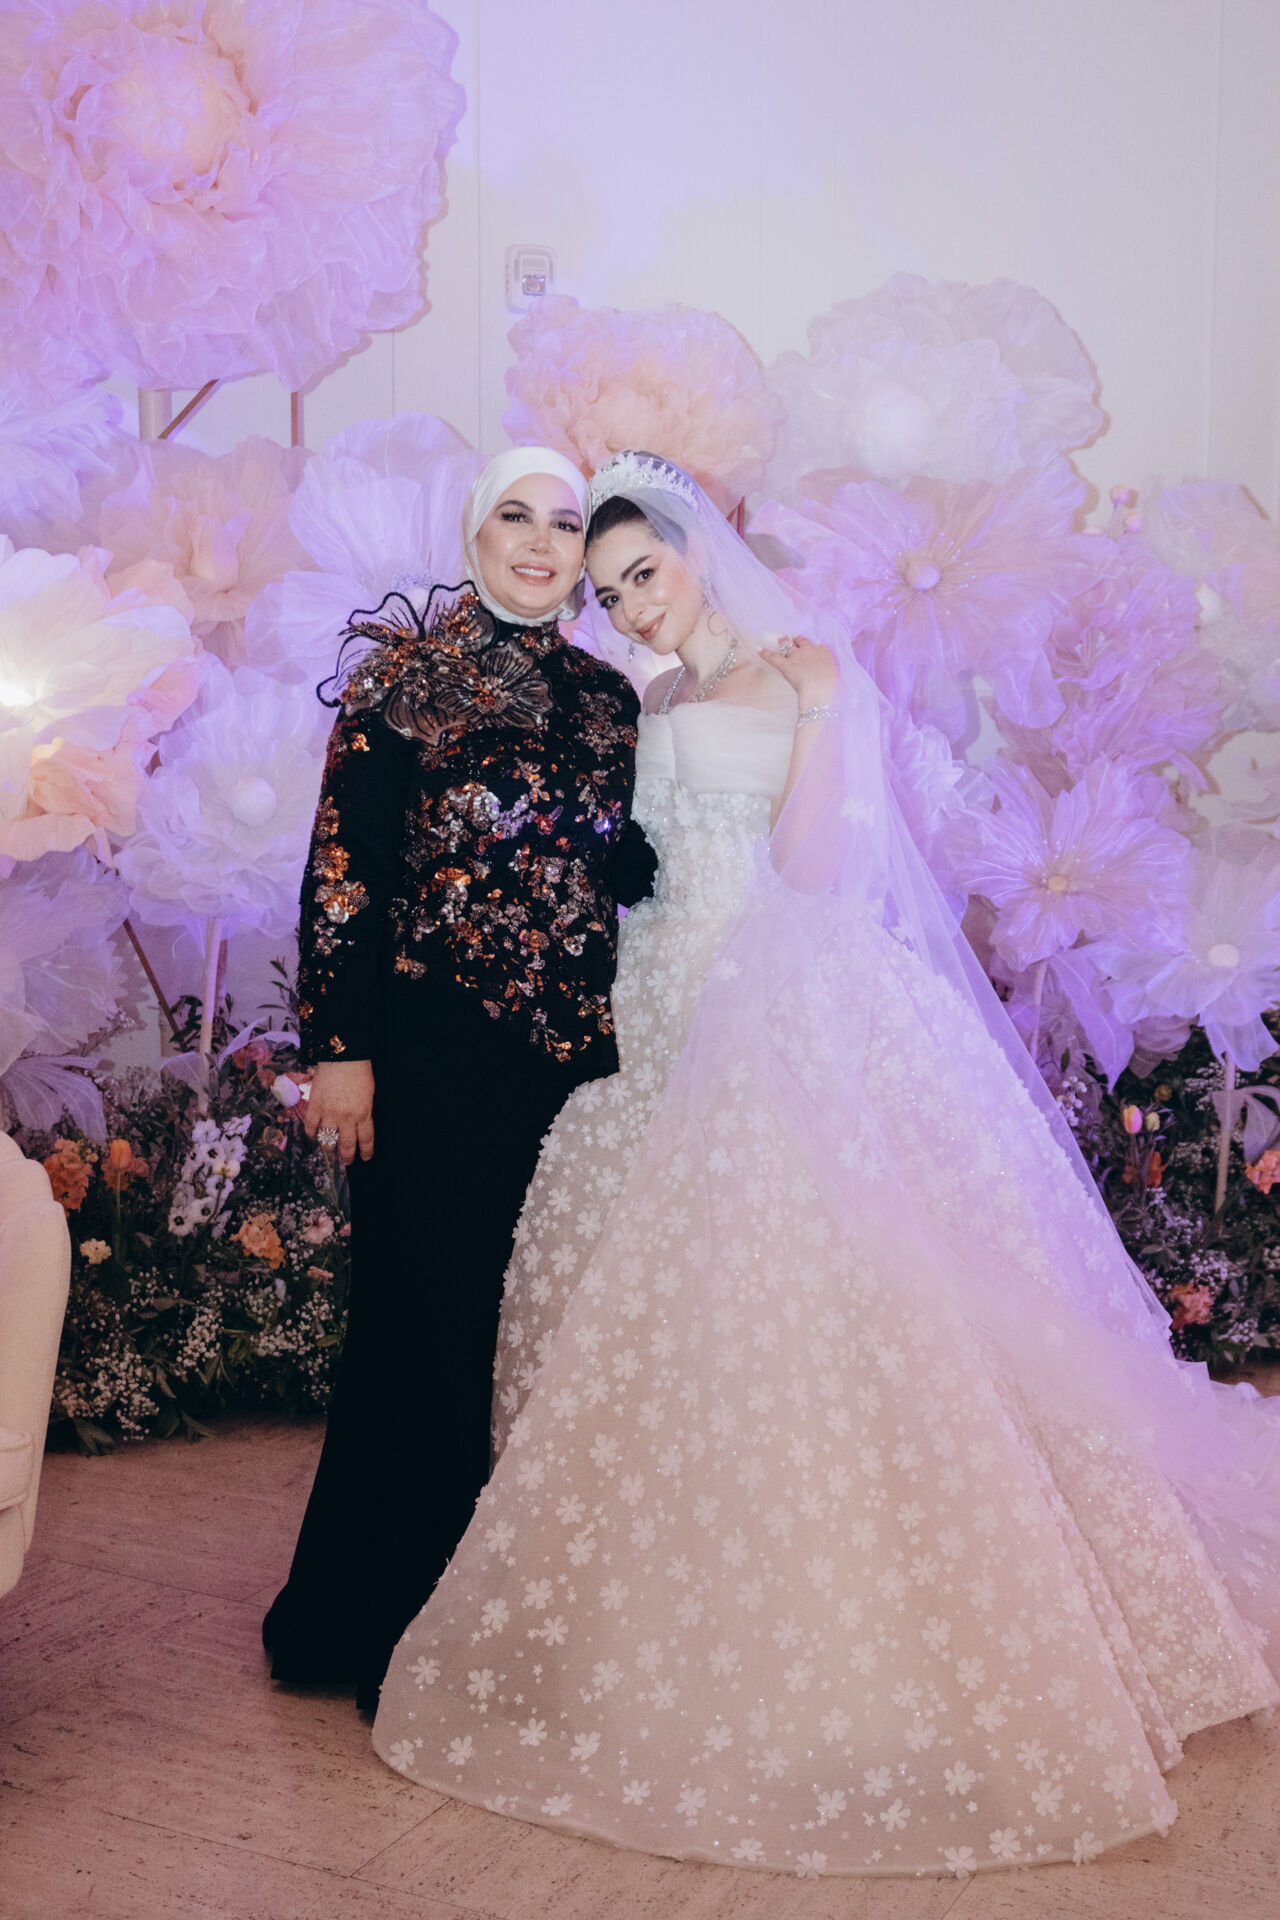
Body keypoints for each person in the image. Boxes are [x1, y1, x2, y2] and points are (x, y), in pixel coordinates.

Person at [371, 453, 1280, 1878]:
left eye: (644, 575)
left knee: (813, 1289)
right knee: (655, 1306)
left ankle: (867, 1636)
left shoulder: (805, 674)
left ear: (696, 553)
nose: (633, 608)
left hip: (773, 987)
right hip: (646, 1004)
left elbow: (818, 868)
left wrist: (804, 769)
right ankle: (636, 1626)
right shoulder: (640, 704)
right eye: (610, 594)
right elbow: (628, 866)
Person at [263, 448, 657, 1713]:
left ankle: (406, 1620)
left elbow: (606, 855)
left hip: (565, 1066)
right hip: (431, 1049)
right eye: (514, 517)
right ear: (473, 534)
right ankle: (390, 1638)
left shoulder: (608, 700)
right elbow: (344, 874)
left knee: (511, 1337)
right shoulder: (403, 681)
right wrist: (339, 1051)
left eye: (562, 523)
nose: (540, 543)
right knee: (420, 1330)